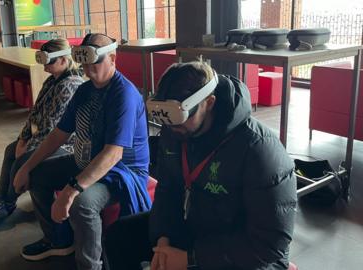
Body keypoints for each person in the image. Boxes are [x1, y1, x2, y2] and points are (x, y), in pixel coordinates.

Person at [104, 61, 297, 270]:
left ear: (210, 102)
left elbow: (269, 245)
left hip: (248, 251)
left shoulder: (259, 149)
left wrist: (190, 259)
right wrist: (163, 239)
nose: (173, 128)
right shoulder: (176, 130)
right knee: (119, 237)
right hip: (198, 225)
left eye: (181, 118)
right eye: (167, 120)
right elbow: (167, 191)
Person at [12, 33, 151, 270]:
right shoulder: (84, 90)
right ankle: (58, 239)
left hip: (120, 172)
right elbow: (59, 134)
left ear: (113, 58)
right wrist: (26, 167)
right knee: (37, 174)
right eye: (84, 61)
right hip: (85, 160)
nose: (88, 67)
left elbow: (113, 154)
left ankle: (90, 265)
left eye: (95, 60)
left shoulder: (124, 94)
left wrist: (70, 191)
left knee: (82, 203)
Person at [0, 38, 84, 228]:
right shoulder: (52, 81)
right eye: (43, 62)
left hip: (65, 144)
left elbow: (52, 128)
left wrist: (30, 148)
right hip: (48, 138)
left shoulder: (70, 85)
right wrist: (22, 139)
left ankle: (5, 203)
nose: (45, 67)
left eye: (49, 62)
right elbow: (35, 114)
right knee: (12, 149)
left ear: (63, 60)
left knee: (22, 160)